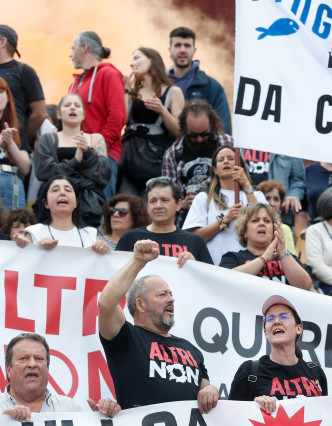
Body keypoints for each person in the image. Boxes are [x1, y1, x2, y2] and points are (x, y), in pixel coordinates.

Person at [98, 239, 219, 411]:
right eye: (162, 295)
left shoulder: (191, 349)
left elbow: (205, 386)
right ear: (140, 305)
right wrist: (138, 262)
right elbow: (106, 303)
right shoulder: (125, 338)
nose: (171, 299)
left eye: (171, 294)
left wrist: (210, 389)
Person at [228, 296, 332, 413]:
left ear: (298, 328)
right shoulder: (249, 370)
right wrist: (254, 406)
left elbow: (324, 416)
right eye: (270, 318)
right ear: (265, 332)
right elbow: (232, 417)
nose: (276, 321)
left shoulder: (315, 372)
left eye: (284, 316)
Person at [0, 332, 120, 421]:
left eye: (39, 358)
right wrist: (4, 421)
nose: (32, 364)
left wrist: (100, 421)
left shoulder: (68, 407)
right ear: (8, 369)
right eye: (23, 358)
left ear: (47, 368)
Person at [34, 94, 110, 227]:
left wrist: (88, 153)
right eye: (67, 105)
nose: (72, 108)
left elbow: (103, 175)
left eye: (77, 105)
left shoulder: (96, 139)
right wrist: (74, 161)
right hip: (55, 203)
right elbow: (43, 171)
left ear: (83, 114)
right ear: (58, 114)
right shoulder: (47, 139)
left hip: (89, 205)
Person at [182, 145, 265, 264]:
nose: (226, 161)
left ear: (240, 166)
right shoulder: (203, 198)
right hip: (214, 266)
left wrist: (246, 184)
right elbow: (195, 238)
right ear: (215, 169)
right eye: (221, 160)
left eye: (231, 158)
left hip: (251, 266)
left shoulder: (257, 195)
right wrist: (225, 220)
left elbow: (268, 224)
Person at [69, 31, 126, 200]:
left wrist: (98, 149)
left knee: (100, 213)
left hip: (103, 157)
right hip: (77, 157)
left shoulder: (109, 74)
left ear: (84, 48)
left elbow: (117, 117)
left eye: (73, 48)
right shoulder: (76, 82)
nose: (70, 53)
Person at [120, 47, 185, 197]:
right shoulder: (131, 91)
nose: (131, 63)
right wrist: (126, 89)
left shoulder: (173, 92)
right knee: (127, 203)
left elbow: (179, 132)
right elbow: (122, 121)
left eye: (136, 58)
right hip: (129, 156)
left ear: (152, 60)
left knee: (150, 201)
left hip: (154, 158)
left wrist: (162, 110)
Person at [161, 99, 232, 227]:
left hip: (225, 217)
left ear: (213, 125)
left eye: (204, 134)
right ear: (184, 127)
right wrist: (181, 204)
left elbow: (243, 181)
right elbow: (165, 198)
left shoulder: (228, 144)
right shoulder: (172, 154)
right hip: (187, 222)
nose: (199, 139)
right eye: (193, 135)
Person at [116, 178, 212, 264]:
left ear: (178, 204)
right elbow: (115, 275)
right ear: (147, 206)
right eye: (153, 201)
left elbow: (209, 280)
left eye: (165, 200)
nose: (158, 206)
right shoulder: (129, 238)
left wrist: (194, 265)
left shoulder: (195, 241)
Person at [219, 203, 311, 290]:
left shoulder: (288, 258)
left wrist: (283, 253)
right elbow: (225, 282)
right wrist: (263, 258)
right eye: (255, 220)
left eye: (267, 221)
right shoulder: (232, 258)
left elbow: (305, 286)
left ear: (274, 230)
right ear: (244, 231)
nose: (262, 223)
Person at [14, 176, 110, 254]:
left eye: (68, 190)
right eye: (55, 190)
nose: (62, 193)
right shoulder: (34, 232)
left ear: (76, 202)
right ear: (45, 203)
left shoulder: (91, 234)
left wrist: (104, 250)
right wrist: (25, 246)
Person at [167, 27, 231, 134]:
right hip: (165, 150)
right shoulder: (160, 85)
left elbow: (223, 127)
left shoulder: (211, 86)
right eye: (177, 45)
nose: (182, 50)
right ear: (170, 49)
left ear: (194, 50)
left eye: (187, 46)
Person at [0, 25, 47, 150]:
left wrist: (19, 140)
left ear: (2, 41)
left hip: (13, 154)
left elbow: (40, 113)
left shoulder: (23, 71)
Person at [0, 76, 30, 209]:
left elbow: (25, 168)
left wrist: (10, 143)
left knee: (13, 229)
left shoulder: (15, 128)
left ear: (7, 98)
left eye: (1, 91)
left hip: (13, 188)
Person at [256, 179, 295, 253]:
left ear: (281, 203)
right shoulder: (253, 227)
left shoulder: (285, 229)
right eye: (267, 198)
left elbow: (293, 259)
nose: (272, 203)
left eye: (276, 199)